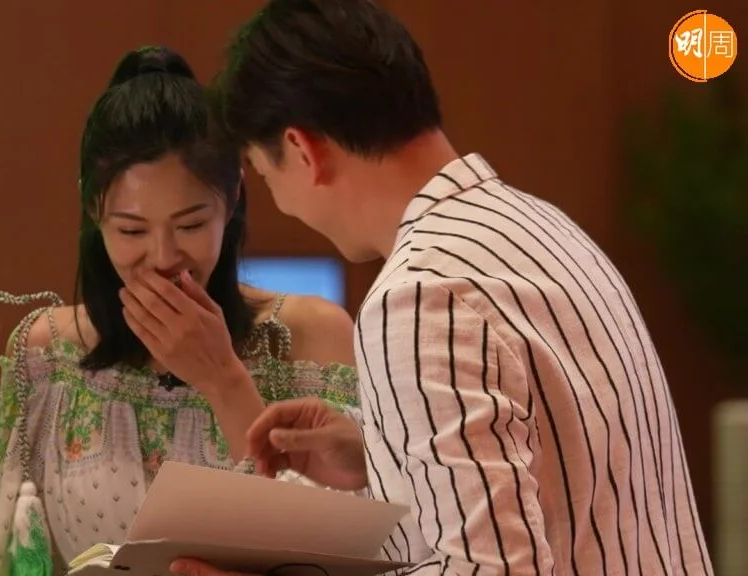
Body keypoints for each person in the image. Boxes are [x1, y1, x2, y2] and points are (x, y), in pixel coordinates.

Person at [171, 1, 714, 575]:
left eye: (265, 173)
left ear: (303, 151)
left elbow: (491, 569)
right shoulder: (544, 225)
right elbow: (567, 473)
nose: (281, 201)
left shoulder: (419, 295)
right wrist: (378, 454)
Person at [0, 45, 362, 576]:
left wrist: (223, 378)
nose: (162, 257)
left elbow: (338, 551)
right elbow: (6, 558)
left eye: (191, 225)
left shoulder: (313, 336)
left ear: (233, 198)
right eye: (131, 230)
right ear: (93, 211)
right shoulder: (45, 353)